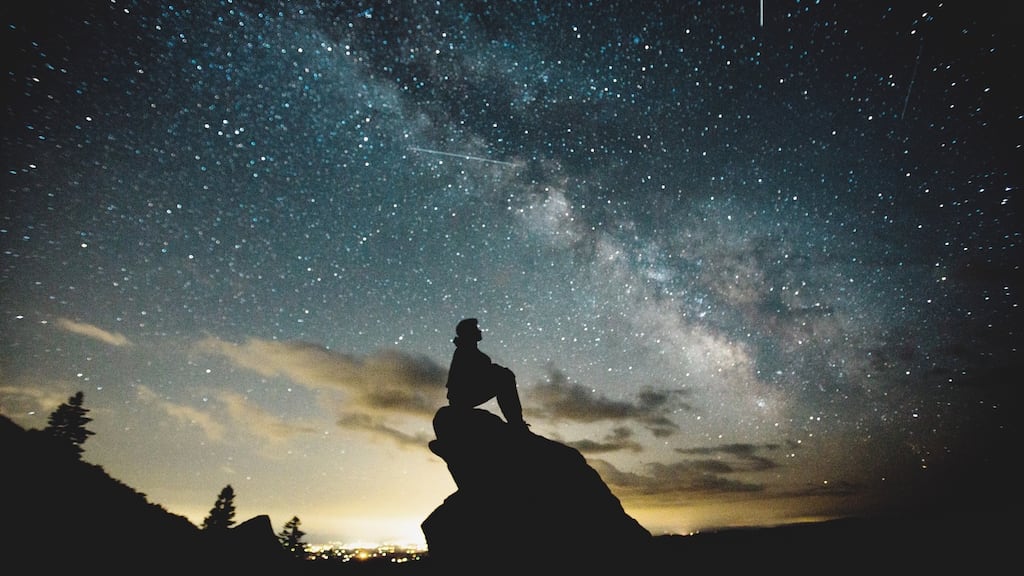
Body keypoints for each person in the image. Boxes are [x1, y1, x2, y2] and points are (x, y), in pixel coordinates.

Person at [446, 318, 529, 431]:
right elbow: (475, 375)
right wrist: (498, 370)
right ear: (469, 333)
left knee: (504, 376)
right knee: (505, 378)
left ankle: (516, 421)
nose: (480, 331)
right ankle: (516, 422)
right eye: (476, 329)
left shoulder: (467, 350)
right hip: (462, 397)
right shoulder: (465, 351)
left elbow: (482, 373)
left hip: (463, 395)